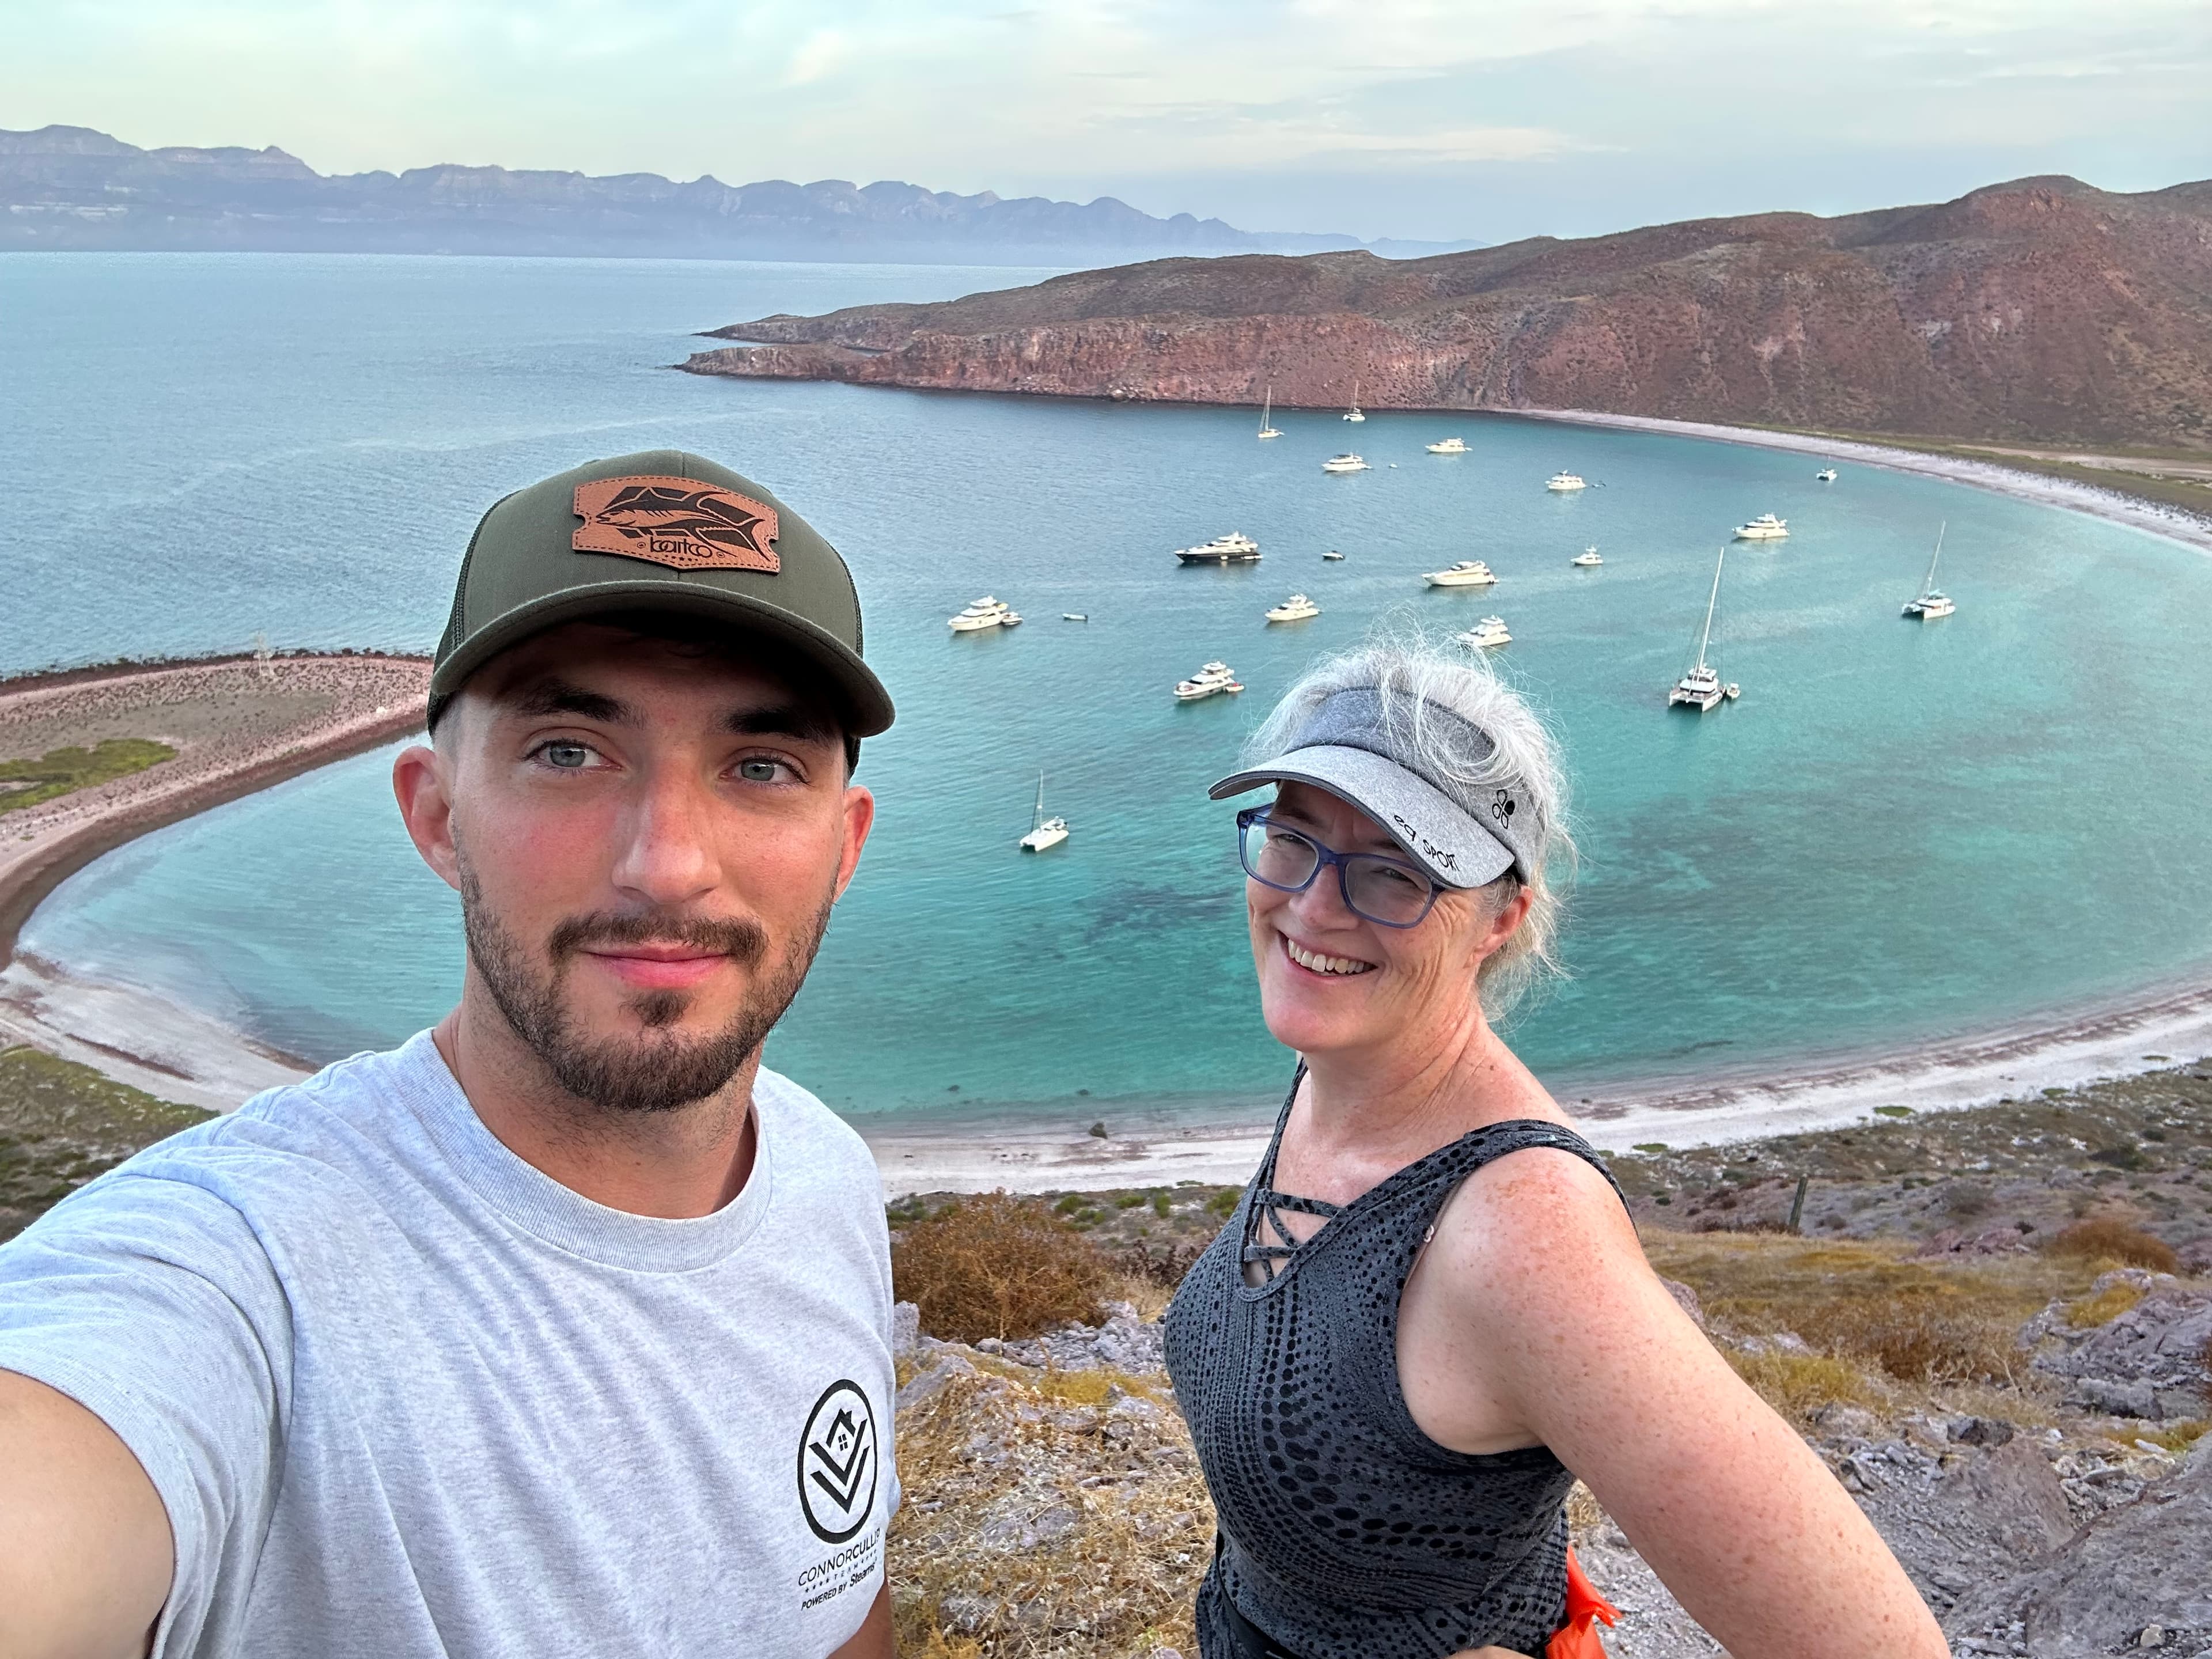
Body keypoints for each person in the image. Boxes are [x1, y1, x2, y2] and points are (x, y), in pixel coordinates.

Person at [0, 452, 904, 1658]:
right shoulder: (236, 1274)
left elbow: (832, 1605)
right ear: (437, 816)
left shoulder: (827, 1179)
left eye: (760, 767)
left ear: (842, 846)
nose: (669, 863)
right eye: (571, 751)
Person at [1162, 641, 1947, 1659]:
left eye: (1396, 875)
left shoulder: (1526, 1240)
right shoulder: (1339, 1069)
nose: (1313, 905)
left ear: (1502, 919)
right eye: (1293, 838)